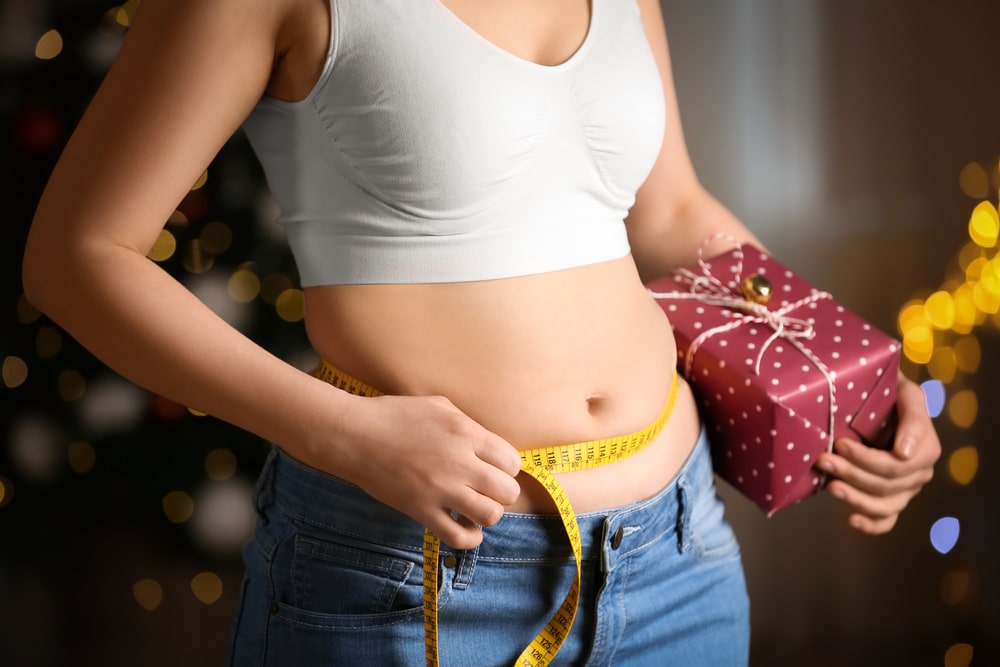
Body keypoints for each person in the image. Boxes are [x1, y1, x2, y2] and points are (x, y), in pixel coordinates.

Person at [23, 0, 940, 664]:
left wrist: (832, 362)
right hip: (415, 567)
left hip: (677, 554)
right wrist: (342, 432)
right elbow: (78, 254)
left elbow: (671, 211)